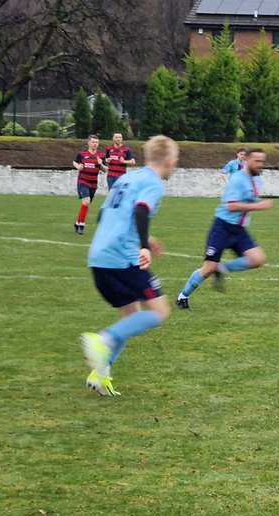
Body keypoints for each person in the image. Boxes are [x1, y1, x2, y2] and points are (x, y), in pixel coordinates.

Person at [78, 135, 179, 396]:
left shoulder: (126, 178)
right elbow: (141, 210)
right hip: (121, 258)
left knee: (131, 316)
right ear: (168, 160)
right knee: (160, 311)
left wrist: (143, 238)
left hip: (98, 256)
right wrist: (143, 245)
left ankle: (101, 373)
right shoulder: (154, 184)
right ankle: (103, 339)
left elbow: (104, 214)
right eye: (176, 160)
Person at [176, 148, 273, 309]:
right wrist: (257, 206)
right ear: (247, 160)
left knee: (257, 259)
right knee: (208, 268)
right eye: (257, 161)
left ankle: (222, 268)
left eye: (262, 162)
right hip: (222, 227)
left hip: (239, 230)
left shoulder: (256, 180)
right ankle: (182, 297)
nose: (260, 165)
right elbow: (231, 206)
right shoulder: (237, 179)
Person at [73, 134, 108, 235]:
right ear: (89, 143)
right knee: (86, 201)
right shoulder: (82, 154)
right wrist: (78, 166)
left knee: (86, 203)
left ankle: (77, 223)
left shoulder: (101, 156)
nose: (95, 144)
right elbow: (75, 162)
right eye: (93, 142)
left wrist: (100, 163)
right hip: (83, 180)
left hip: (93, 183)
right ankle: (81, 226)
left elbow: (105, 170)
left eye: (96, 142)